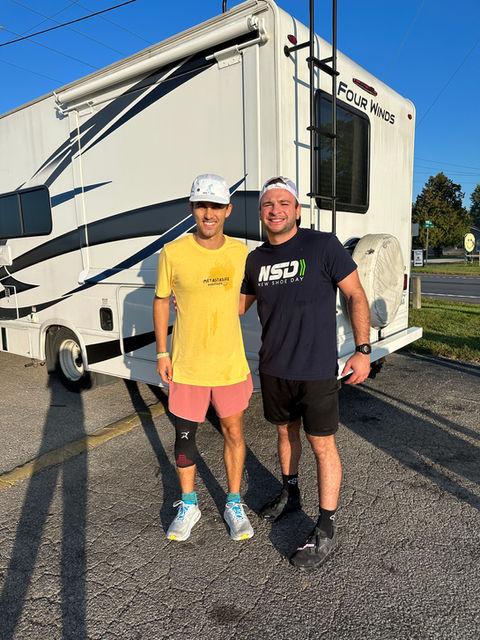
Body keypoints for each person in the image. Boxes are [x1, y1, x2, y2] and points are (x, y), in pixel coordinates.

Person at [240, 176, 371, 570]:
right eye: (268, 204)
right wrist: (190, 298)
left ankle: (326, 526)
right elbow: (235, 306)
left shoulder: (322, 245)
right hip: (274, 368)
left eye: (284, 203)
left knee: (321, 444)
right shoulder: (255, 259)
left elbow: (355, 294)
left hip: (315, 370)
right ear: (260, 213)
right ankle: (290, 494)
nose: (275, 210)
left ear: (297, 210)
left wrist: (363, 350)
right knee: (285, 433)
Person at [153, 174, 254, 542]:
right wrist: (162, 352)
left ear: (228, 210)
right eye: (201, 205)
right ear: (192, 208)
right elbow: (161, 300)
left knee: (233, 432)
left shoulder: (242, 253)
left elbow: (243, 301)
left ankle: (233, 503)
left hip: (229, 365)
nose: (208, 213)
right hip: (187, 365)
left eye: (215, 206)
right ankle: (189, 504)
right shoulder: (173, 252)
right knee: (184, 437)